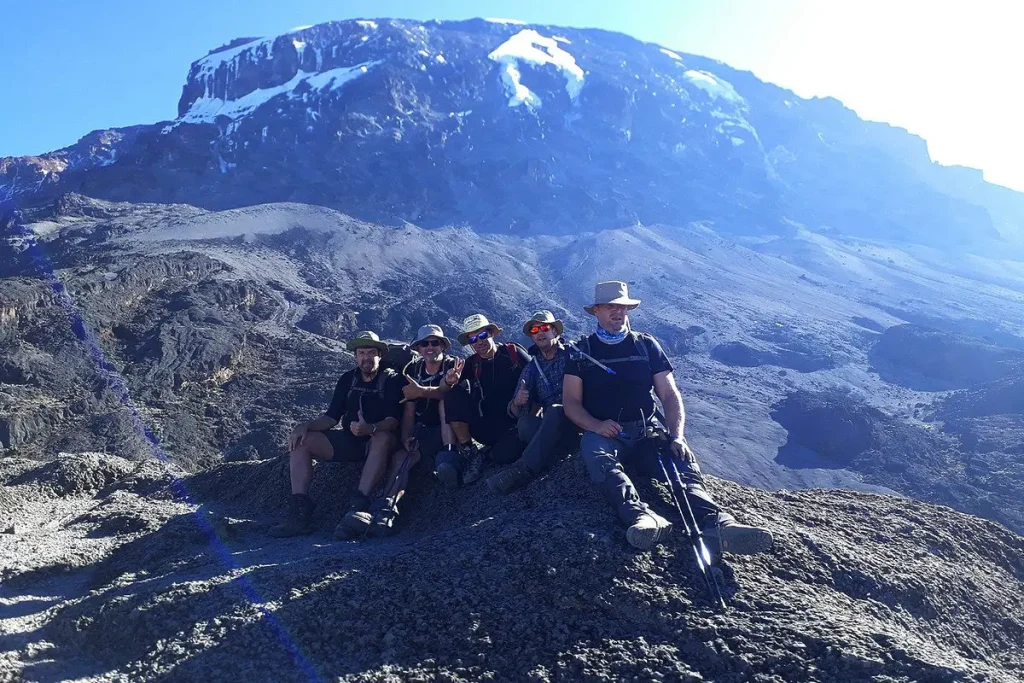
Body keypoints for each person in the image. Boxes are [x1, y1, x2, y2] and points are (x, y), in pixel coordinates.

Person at [563, 281, 774, 554]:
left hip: (645, 430)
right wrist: (596, 426)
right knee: (596, 454)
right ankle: (640, 516)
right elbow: (571, 403)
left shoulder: (646, 345)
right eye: (610, 307)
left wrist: (677, 436)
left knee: (681, 463)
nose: (618, 312)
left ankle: (718, 523)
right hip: (606, 434)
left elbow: (669, 394)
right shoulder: (582, 352)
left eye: (623, 307)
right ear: (597, 311)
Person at [269, 331, 403, 539]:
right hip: (350, 440)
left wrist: (371, 428)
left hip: (379, 440)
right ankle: (299, 512)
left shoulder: (392, 380)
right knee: (302, 442)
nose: (365, 357)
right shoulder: (348, 379)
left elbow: (394, 420)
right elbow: (331, 418)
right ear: (355, 356)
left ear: (380, 355)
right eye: (361, 353)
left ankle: (359, 505)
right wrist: (306, 425)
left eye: (370, 352)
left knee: (382, 437)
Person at [356, 324, 463, 536]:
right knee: (401, 458)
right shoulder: (413, 370)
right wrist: (406, 437)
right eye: (425, 344)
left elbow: (447, 397)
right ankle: (387, 508)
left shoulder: (453, 366)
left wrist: (424, 390)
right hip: (422, 430)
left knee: (446, 402)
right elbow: (409, 408)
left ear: (443, 346)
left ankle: (450, 454)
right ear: (418, 348)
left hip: (450, 429)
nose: (429, 347)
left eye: (435, 343)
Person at [487, 310, 578, 494]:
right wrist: (518, 402)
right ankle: (550, 455)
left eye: (544, 327)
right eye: (535, 330)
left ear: (555, 332)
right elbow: (513, 411)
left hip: (578, 422)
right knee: (525, 423)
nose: (539, 333)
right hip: (551, 428)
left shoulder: (573, 354)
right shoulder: (532, 368)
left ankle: (523, 469)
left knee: (554, 410)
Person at [438, 314, 530, 486]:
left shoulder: (513, 353)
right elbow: (443, 389)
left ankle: (486, 455)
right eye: (473, 339)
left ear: (491, 334)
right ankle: (470, 452)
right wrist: (448, 381)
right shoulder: (472, 363)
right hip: (485, 424)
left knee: (510, 453)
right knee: (452, 393)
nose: (479, 342)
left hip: (515, 420)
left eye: (482, 336)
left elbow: (535, 374)